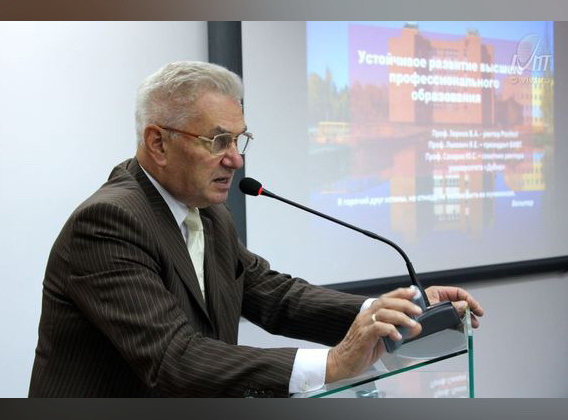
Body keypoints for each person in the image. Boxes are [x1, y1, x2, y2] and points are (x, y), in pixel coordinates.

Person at [28, 61, 484, 398]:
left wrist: (392, 312)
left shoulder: (207, 212)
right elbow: (173, 358)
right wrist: (331, 364)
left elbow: (274, 296)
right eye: (217, 141)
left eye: (238, 139)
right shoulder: (108, 223)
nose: (236, 159)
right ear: (158, 143)